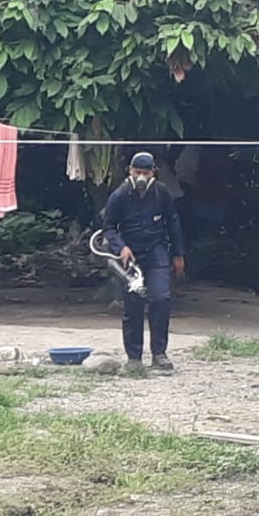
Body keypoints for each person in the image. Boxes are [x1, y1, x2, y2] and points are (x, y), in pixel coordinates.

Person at [102, 151, 186, 371]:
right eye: (137, 172)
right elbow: (108, 228)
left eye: (145, 173)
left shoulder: (162, 193)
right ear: (130, 171)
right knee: (133, 304)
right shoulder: (119, 195)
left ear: (153, 173)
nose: (141, 177)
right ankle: (134, 357)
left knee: (160, 299)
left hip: (157, 251)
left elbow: (173, 223)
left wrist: (178, 254)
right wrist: (122, 247)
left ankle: (159, 353)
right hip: (130, 257)